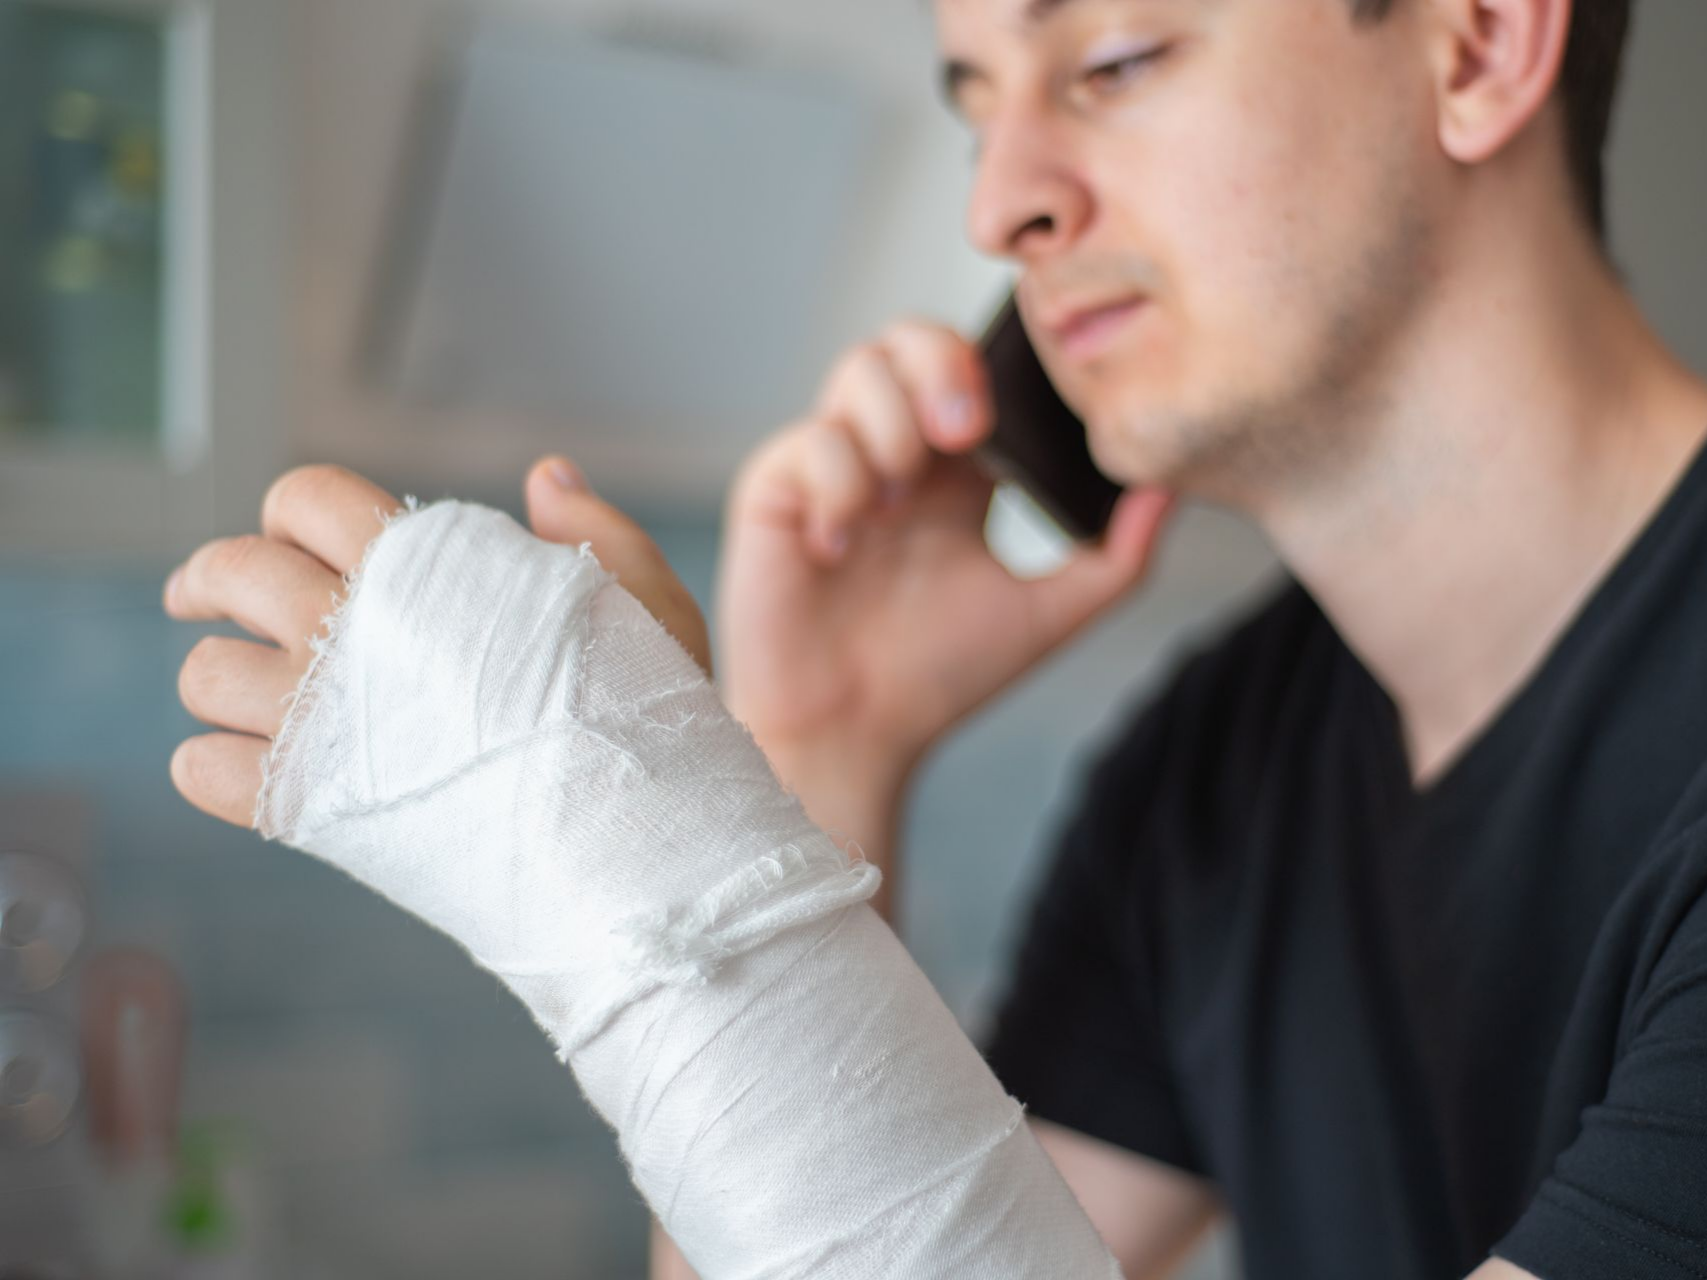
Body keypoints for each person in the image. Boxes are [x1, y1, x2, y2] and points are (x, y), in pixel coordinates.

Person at [162, 0, 1707, 1276]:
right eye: (978, 110)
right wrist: (818, 752)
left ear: (1480, 44)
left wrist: (650, 868)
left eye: (1112, 63)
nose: (999, 207)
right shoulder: (1209, 775)